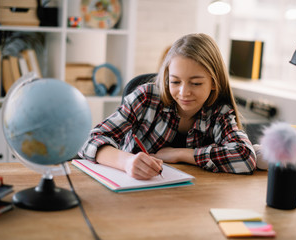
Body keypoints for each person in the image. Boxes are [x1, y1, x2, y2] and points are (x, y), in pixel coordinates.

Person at [78, 33, 257, 180]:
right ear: (166, 78)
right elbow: (88, 141)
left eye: (195, 83)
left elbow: (245, 156)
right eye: (175, 81)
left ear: (213, 83)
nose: (184, 92)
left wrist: (179, 154)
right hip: (133, 193)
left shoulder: (219, 112)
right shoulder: (146, 97)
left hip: (191, 199)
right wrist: (126, 162)